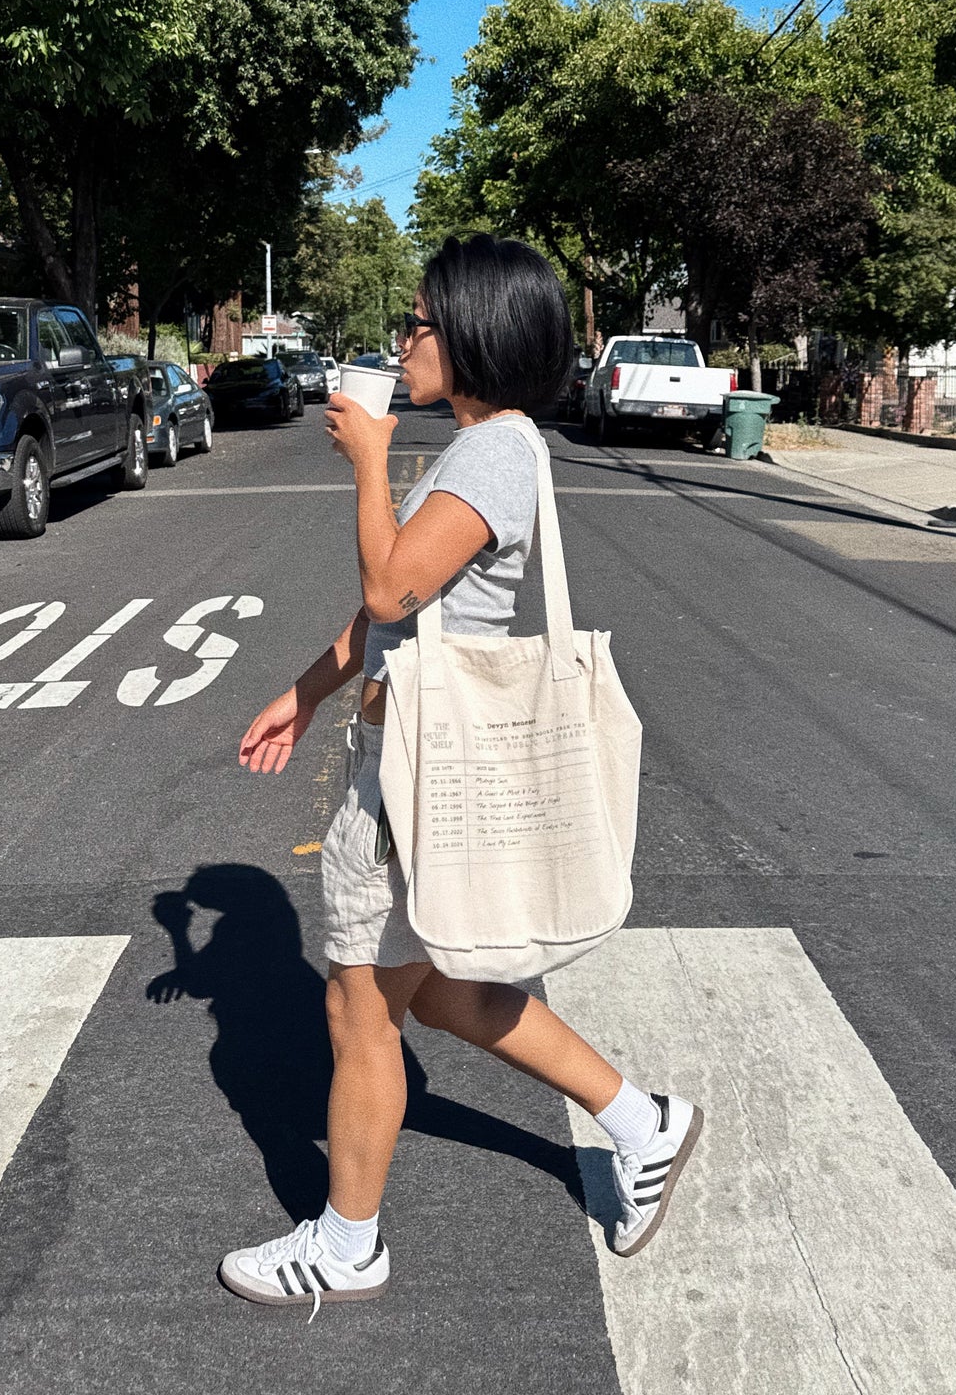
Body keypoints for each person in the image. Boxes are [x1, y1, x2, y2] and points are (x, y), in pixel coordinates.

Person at [221, 235, 701, 1313]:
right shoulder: (489, 447)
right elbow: (402, 618)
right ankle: (640, 1121)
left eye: (421, 322)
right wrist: (304, 692)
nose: (404, 339)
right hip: (406, 748)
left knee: (359, 1005)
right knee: (438, 992)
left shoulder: (489, 453)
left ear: (476, 332)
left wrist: (367, 461)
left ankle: (347, 1242)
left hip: (413, 774)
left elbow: (390, 591)